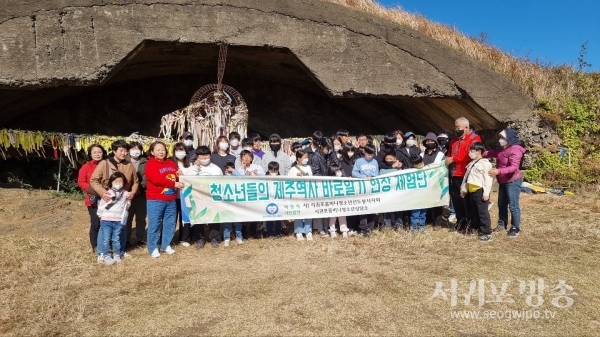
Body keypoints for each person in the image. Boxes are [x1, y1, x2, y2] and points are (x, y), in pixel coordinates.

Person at [90, 139, 139, 257]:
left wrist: (132, 192)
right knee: (105, 227)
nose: (124, 153)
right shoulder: (104, 163)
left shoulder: (129, 165)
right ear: (114, 151)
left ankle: (120, 250)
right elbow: (94, 180)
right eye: (121, 150)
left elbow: (136, 181)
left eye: (125, 151)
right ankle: (102, 252)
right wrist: (103, 193)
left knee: (122, 226)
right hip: (108, 200)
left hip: (122, 202)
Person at [483, 128, 525, 237]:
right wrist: (479, 153)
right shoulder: (502, 149)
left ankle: (515, 227)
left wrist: (498, 171)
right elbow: (491, 153)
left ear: (508, 138)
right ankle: (502, 224)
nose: (500, 140)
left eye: (502, 138)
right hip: (502, 180)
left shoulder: (515, 150)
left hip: (512, 181)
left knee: (513, 205)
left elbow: (514, 167)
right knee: (501, 204)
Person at [145, 141, 184, 258]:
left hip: (171, 199)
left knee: (170, 223)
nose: (161, 152)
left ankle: (165, 244)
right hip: (156, 199)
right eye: (158, 150)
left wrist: (178, 174)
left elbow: (174, 177)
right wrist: (174, 184)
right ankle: (153, 247)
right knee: (155, 224)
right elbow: (156, 179)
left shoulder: (171, 163)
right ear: (152, 152)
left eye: (163, 149)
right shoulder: (150, 164)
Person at [445, 117, 482, 232]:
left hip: (465, 174)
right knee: (456, 199)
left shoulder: (474, 139)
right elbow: (449, 154)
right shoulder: (454, 140)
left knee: (467, 201)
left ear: (466, 128)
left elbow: (470, 154)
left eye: (458, 127)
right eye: (455, 127)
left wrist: (453, 159)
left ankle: (471, 224)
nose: (456, 129)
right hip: (454, 174)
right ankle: (460, 222)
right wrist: (448, 160)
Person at [77, 144, 107, 254]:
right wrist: (96, 191)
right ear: (90, 154)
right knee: (96, 224)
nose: (97, 154)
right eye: (94, 152)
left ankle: (105, 244)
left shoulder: (108, 165)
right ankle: (95, 246)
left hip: (107, 198)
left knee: (106, 223)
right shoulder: (86, 167)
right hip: (93, 197)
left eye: (99, 152)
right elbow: (81, 182)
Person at [460, 142, 493, 241]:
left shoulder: (485, 163)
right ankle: (476, 228)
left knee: (482, 213)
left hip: (479, 191)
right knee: (472, 212)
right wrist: (463, 189)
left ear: (478, 152)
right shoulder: (471, 163)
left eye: (472, 151)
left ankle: (487, 232)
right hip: (470, 191)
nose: (470, 153)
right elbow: (466, 178)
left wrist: (486, 193)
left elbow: (488, 179)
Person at [96, 171, 131, 265]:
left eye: (120, 182)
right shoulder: (108, 193)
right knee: (106, 239)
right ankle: (106, 255)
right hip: (106, 220)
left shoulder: (125, 194)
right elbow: (102, 205)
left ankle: (116, 254)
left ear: (123, 183)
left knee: (116, 238)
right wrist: (101, 216)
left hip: (118, 221)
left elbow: (126, 206)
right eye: (116, 181)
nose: (118, 184)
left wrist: (128, 200)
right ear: (111, 182)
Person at [193, 146, 224, 248]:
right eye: (202, 155)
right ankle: (199, 239)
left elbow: (221, 184)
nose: (204, 157)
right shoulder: (193, 168)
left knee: (214, 218)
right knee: (198, 218)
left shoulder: (216, 169)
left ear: (210, 155)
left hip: (212, 198)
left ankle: (214, 238)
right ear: (197, 156)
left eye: (206, 155)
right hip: (198, 198)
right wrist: (194, 167)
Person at [309, 137, 338, 236]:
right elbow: (315, 172)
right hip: (319, 184)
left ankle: (327, 226)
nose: (329, 150)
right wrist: (325, 178)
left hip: (331, 184)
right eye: (327, 147)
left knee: (328, 206)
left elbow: (337, 165)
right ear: (321, 146)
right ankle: (319, 227)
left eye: (330, 148)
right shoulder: (315, 157)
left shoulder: (332, 154)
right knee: (319, 206)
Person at [352, 144, 379, 236]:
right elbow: (354, 173)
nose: (370, 156)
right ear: (364, 152)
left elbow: (377, 174)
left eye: (372, 155)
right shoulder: (359, 161)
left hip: (371, 187)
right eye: (369, 154)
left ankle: (370, 227)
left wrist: (372, 177)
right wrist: (363, 177)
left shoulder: (375, 162)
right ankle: (363, 228)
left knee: (372, 207)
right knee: (363, 207)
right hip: (362, 187)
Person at [420, 133, 445, 230]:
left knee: (437, 202)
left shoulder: (440, 154)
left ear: (435, 142)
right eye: (428, 141)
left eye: (432, 141)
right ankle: (429, 221)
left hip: (437, 182)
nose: (430, 143)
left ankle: (438, 223)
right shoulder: (422, 154)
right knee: (427, 202)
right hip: (425, 181)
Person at [173, 142, 196, 247]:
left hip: (185, 196)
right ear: (174, 152)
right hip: (173, 195)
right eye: (178, 150)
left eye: (182, 150)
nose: (180, 153)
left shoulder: (190, 165)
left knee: (185, 216)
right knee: (172, 218)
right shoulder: (170, 164)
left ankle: (185, 238)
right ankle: (170, 238)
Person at [125, 141, 148, 247]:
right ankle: (126, 240)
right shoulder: (124, 161)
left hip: (142, 194)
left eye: (138, 149)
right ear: (129, 150)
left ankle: (140, 239)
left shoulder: (145, 162)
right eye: (133, 149)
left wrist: (140, 187)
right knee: (127, 218)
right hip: (127, 194)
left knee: (141, 218)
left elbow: (147, 177)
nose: (135, 151)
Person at [288, 149, 313, 241]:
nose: (306, 159)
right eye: (304, 157)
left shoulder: (308, 168)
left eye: (307, 157)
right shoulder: (293, 170)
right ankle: (299, 231)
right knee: (298, 212)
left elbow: (311, 178)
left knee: (308, 211)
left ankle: (308, 230)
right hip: (297, 194)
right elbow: (289, 182)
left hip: (307, 192)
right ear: (298, 158)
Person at [379, 150, 403, 230]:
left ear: (395, 159)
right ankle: (387, 225)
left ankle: (399, 224)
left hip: (397, 192)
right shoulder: (382, 169)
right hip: (386, 193)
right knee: (387, 208)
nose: (389, 160)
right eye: (387, 159)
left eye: (391, 158)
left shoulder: (399, 169)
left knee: (398, 209)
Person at [340, 142, 359, 235]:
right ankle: (348, 227)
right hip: (345, 186)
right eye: (348, 150)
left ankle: (355, 226)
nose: (350, 152)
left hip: (356, 187)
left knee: (355, 206)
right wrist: (346, 177)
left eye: (352, 150)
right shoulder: (341, 161)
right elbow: (340, 172)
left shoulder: (357, 160)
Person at [327, 163, 349, 238]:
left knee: (342, 216)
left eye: (340, 170)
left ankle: (344, 230)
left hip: (341, 200)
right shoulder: (328, 181)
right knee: (332, 216)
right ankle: (332, 231)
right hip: (332, 201)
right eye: (337, 170)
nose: (339, 172)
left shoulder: (343, 180)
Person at [409, 155, 428, 234]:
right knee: (415, 213)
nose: (416, 166)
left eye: (418, 163)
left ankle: (422, 227)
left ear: (421, 161)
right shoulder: (411, 171)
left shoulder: (428, 169)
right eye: (415, 164)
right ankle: (414, 228)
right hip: (415, 196)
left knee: (423, 213)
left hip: (424, 195)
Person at [263, 161, 283, 238]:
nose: (273, 172)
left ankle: (278, 232)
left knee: (279, 217)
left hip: (278, 200)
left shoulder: (281, 178)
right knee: (269, 217)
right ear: (268, 170)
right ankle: (269, 232)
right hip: (268, 200)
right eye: (271, 170)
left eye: (275, 170)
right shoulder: (264, 178)